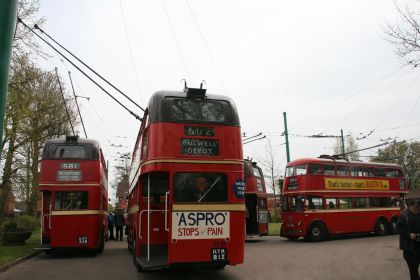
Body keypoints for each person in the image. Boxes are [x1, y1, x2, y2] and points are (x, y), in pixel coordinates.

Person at [397, 199, 420, 280]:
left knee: (415, 269)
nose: (416, 211)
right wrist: (408, 234)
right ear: (410, 206)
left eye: (418, 209)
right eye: (414, 209)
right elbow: (398, 228)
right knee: (413, 270)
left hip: (418, 247)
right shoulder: (404, 215)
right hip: (409, 249)